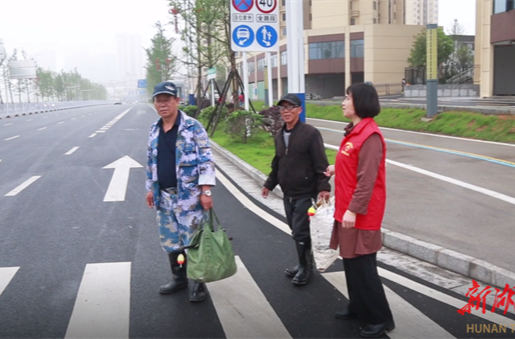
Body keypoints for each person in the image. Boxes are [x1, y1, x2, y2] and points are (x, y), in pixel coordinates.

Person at [324, 83, 394, 338]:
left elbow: (367, 179)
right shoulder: (354, 132)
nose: (343, 102)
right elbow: (352, 166)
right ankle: (357, 306)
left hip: (361, 214)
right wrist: (335, 168)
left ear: (360, 102)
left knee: (363, 266)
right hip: (347, 209)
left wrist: (353, 210)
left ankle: (380, 318)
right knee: (351, 263)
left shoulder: (370, 136)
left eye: (347, 97)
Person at [146, 81, 216, 303]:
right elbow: (151, 162)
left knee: (193, 240)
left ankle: (198, 283)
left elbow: (206, 158)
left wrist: (206, 191)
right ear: (155, 104)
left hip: (189, 196)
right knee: (171, 240)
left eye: (167, 99)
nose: (163, 104)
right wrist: (150, 189)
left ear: (177, 101)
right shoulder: (154, 129)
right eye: (159, 100)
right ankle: (179, 278)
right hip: (164, 196)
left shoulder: (193, 127)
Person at [262, 93, 331, 286]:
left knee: (300, 231)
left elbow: (321, 162)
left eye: (290, 107)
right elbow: (278, 163)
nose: (286, 111)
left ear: (299, 110)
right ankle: (304, 262)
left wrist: (324, 188)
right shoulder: (279, 135)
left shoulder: (310, 133)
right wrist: (269, 183)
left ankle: (305, 268)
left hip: (305, 192)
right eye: (282, 108)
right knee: (296, 229)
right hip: (288, 193)